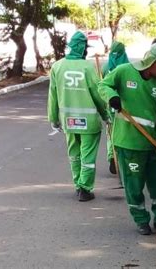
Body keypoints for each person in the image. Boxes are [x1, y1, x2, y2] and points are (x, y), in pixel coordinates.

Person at [98, 42, 156, 235]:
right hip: (128, 142)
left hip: (152, 144)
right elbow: (103, 85)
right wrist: (112, 97)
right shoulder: (124, 71)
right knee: (134, 185)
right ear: (152, 61)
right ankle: (141, 219)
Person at [48, 31, 109, 202]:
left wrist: (53, 118)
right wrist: (106, 114)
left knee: (74, 154)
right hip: (89, 122)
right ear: (82, 48)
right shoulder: (88, 67)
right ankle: (85, 187)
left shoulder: (57, 66)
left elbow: (52, 95)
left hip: (68, 120)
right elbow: (98, 94)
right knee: (87, 156)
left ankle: (77, 185)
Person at [101, 41, 130, 174]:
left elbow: (101, 86)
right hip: (125, 105)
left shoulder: (105, 66)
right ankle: (122, 158)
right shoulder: (128, 66)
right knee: (124, 131)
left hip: (110, 104)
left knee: (110, 131)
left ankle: (112, 156)